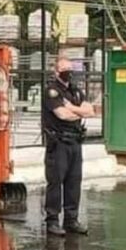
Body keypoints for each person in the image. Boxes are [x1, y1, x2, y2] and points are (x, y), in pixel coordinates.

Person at [42, 58, 95, 237]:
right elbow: (62, 115)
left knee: (74, 182)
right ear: (56, 72)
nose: (69, 72)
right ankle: (52, 221)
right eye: (65, 69)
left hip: (75, 142)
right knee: (55, 183)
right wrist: (76, 111)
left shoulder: (75, 90)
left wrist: (72, 107)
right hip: (58, 144)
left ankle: (71, 219)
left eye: (70, 69)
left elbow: (91, 111)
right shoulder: (52, 91)